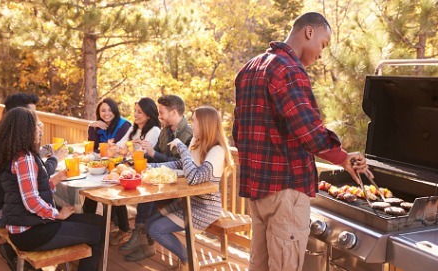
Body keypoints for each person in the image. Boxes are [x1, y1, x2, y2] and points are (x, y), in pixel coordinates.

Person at [232, 12, 373, 271]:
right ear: (309, 32)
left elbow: (238, 132)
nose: (321, 54)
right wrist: (342, 158)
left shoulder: (249, 68)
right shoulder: (288, 69)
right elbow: (308, 130)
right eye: (323, 44)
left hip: (258, 189)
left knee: (259, 265)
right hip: (286, 190)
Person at [0, 107, 104, 271]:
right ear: (25, 130)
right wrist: (57, 215)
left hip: (27, 223)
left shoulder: (12, 153)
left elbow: (29, 190)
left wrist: (57, 178)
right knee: (98, 233)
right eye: (36, 125)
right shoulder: (24, 158)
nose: (39, 129)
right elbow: (31, 200)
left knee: (99, 222)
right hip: (31, 232)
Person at [137, 106, 233, 271]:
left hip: (205, 208)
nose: (191, 124)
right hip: (188, 202)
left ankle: (188, 259)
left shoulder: (217, 151)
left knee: (155, 229)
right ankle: (187, 258)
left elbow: (194, 177)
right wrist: (149, 167)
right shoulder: (197, 142)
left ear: (204, 124)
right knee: (149, 222)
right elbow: (180, 164)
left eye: (194, 121)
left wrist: (181, 147)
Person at [0, 92, 67, 271]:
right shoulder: (19, 153)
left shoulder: (2, 137)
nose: (38, 122)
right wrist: (55, 159)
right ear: (19, 115)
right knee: (52, 211)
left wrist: (42, 154)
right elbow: (35, 178)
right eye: (34, 117)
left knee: (47, 205)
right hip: (0, 211)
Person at [119, 94, 193, 261]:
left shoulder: (189, 134)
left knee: (147, 197)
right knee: (144, 190)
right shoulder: (166, 130)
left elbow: (181, 164)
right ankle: (144, 241)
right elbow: (158, 155)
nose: (159, 116)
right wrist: (144, 154)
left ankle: (142, 237)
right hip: (163, 181)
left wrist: (153, 154)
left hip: (180, 186)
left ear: (174, 112)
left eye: (161, 113)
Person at [83, 97, 132, 245]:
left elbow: (112, 148)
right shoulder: (98, 125)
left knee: (112, 194)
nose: (106, 113)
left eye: (110, 110)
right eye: (103, 110)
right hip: (103, 165)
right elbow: (93, 148)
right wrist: (92, 126)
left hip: (120, 165)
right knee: (90, 191)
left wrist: (101, 150)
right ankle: (88, 227)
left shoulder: (124, 125)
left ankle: (124, 229)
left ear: (115, 111)